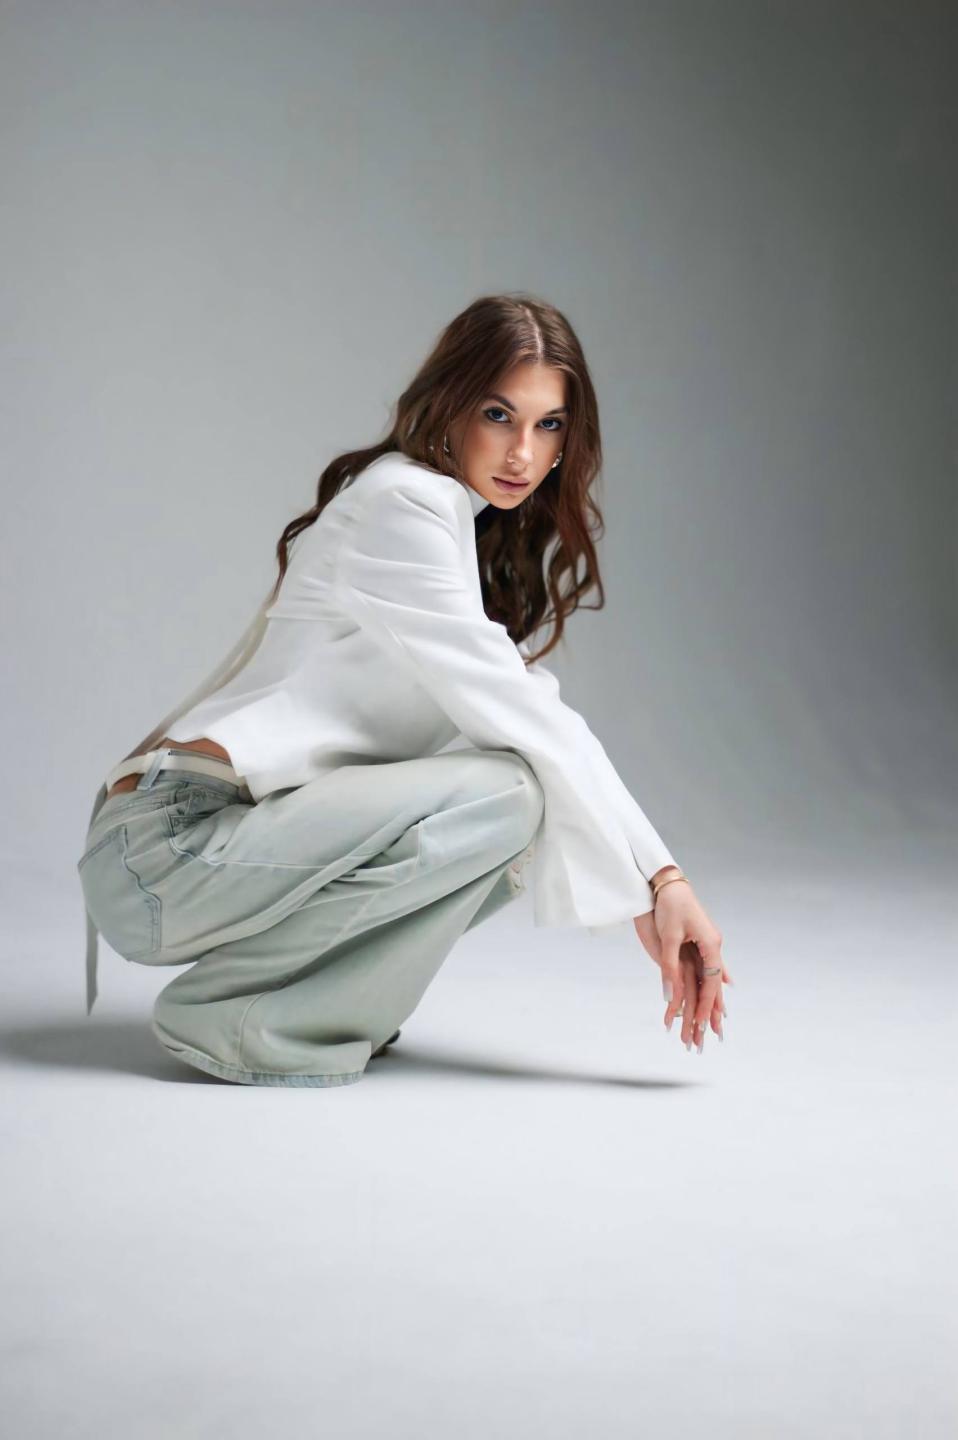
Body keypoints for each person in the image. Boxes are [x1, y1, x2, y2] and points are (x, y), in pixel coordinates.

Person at [76, 292, 730, 1087]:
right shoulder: (404, 502)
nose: (523, 452)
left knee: (522, 811)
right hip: (166, 850)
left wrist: (658, 882)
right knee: (513, 794)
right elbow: (533, 726)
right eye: (498, 414)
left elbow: (540, 714)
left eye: (549, 424)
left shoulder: (451, 526)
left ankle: (297, 1008)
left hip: (212, 849)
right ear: (451, 402)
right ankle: (235, 1018)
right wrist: (662, 883)